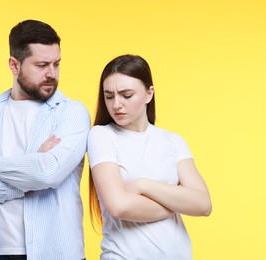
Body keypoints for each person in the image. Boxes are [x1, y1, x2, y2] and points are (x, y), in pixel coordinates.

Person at [0, 20, 90, 260]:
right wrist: (30, 169)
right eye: (42, 65)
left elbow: (48, 173)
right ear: (14, 65)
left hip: (55, 251)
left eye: (57, 64)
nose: (52, 74)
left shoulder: (72, 113)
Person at [87, 54, 212, 260]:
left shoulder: (173, 141)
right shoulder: (101, 136)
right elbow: (119, 206)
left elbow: (203, 204)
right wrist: (176, 203)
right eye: (109, 96)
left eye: (126, 95)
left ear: (148, 94)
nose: (116, 104)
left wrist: (143, 185)